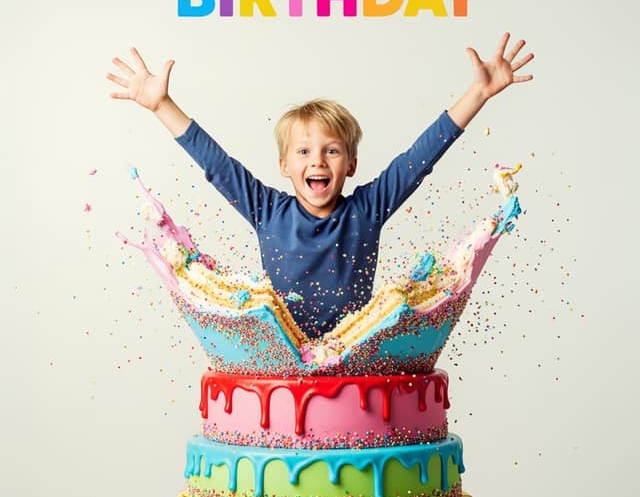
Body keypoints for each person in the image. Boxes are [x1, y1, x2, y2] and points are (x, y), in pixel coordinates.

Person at [107, 33, 533, 337]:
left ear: (350, 165)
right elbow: (215, 163)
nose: (318, 161)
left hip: (354, 354)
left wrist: (478, 94)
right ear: (284, 166)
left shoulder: (365, 211)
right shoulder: (266, 211)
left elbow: (418, 159)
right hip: (285, 355)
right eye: (304, 152)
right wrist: (161, 104)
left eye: (331, 151)